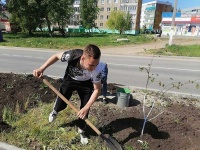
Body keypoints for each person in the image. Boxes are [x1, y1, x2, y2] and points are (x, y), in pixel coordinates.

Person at [33, 44, 102, 145]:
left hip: (86, 84)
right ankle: (55, 111)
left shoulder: (97, 69)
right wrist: (41, 68)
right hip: (70, 80)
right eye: (91, 65)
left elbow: (97, 90)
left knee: (84, 110)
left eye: (96, 64)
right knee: (61, 101)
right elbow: (56, 56)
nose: (94, 68)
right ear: (83, 58)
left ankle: (81, 130)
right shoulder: (72, 55)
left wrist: (87, 107)